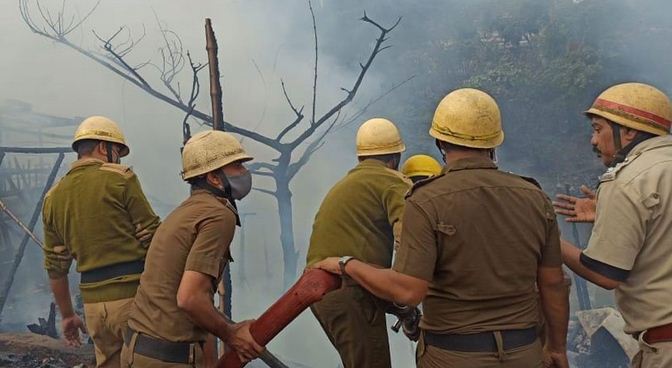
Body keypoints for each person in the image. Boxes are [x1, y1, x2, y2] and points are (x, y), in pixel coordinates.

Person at [313, 88, 570, 368]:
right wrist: (556, 347)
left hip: (453, 356)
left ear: (440, 143)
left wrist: (346, 264)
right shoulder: (535, 197)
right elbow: (553, 284)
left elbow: (408, 291)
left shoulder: (425, 201)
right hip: (524, 351)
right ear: (494, 144)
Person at [553, 82, 672, 367]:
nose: (594, 141)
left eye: (598, 129)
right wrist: (611, 212)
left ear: (628, 131)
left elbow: (605, 274)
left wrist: (549, 241)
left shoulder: (627, 181)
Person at [121, 130, 263, 367]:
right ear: (214, 178)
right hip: (167, 359)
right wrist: (232, 334)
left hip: (138, 350)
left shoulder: (187, 211)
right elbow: (190, 298)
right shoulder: (218, 215)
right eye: (237, 165)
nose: (245, 172)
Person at [42, 116, 161, 367]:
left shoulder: (53, 197)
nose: (118, 157)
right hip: (134, 299)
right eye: (117, 150)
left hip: (94, 309)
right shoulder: (121, 178)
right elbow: (153, 238)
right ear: (101, 147)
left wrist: (67, 316)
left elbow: (55, 266)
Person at [306, 118, 411, 368]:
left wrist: (400, 306)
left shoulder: (348, 185)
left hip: (324, 292)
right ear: (395, 159)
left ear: (360, 158)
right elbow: (410, 240)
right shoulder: (394, 181)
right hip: (350, 290)